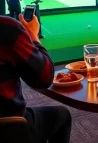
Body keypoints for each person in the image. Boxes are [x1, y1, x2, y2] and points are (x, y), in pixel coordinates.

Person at [0, 14, 72, 143]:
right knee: (63, 115)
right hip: (10, 129)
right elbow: (44, 78)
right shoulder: (7, 28)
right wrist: (33, 36)